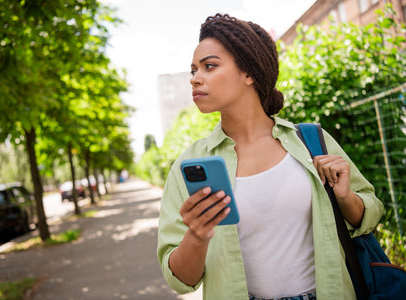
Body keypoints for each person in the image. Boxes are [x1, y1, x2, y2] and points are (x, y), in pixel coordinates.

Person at [157, 13, 384, 300]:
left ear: (248, 73)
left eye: (209, 66)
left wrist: (346, 198)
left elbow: (371, 212)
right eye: (193, 71)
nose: (195, 79)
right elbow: (180, 280)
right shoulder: (188, 166)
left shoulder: (311, 141)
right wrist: (197, 235)